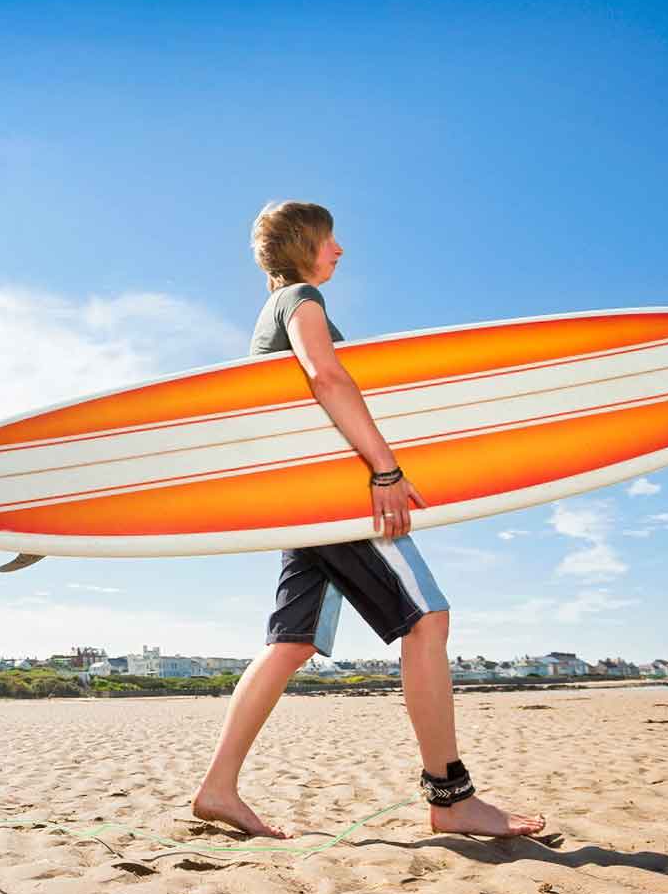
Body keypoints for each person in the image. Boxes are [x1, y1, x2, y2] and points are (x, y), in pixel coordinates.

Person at [191, 201, 547, 840]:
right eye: (332, 239)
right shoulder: (300, 298)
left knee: (291, 645)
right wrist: (385, 470)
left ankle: (218, 788)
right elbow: (326, 376)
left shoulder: (267, 315)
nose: (341, 250)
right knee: (427, 619)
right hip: (332, 501)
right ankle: (451, 797)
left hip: (298, 502)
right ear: (306, 244)